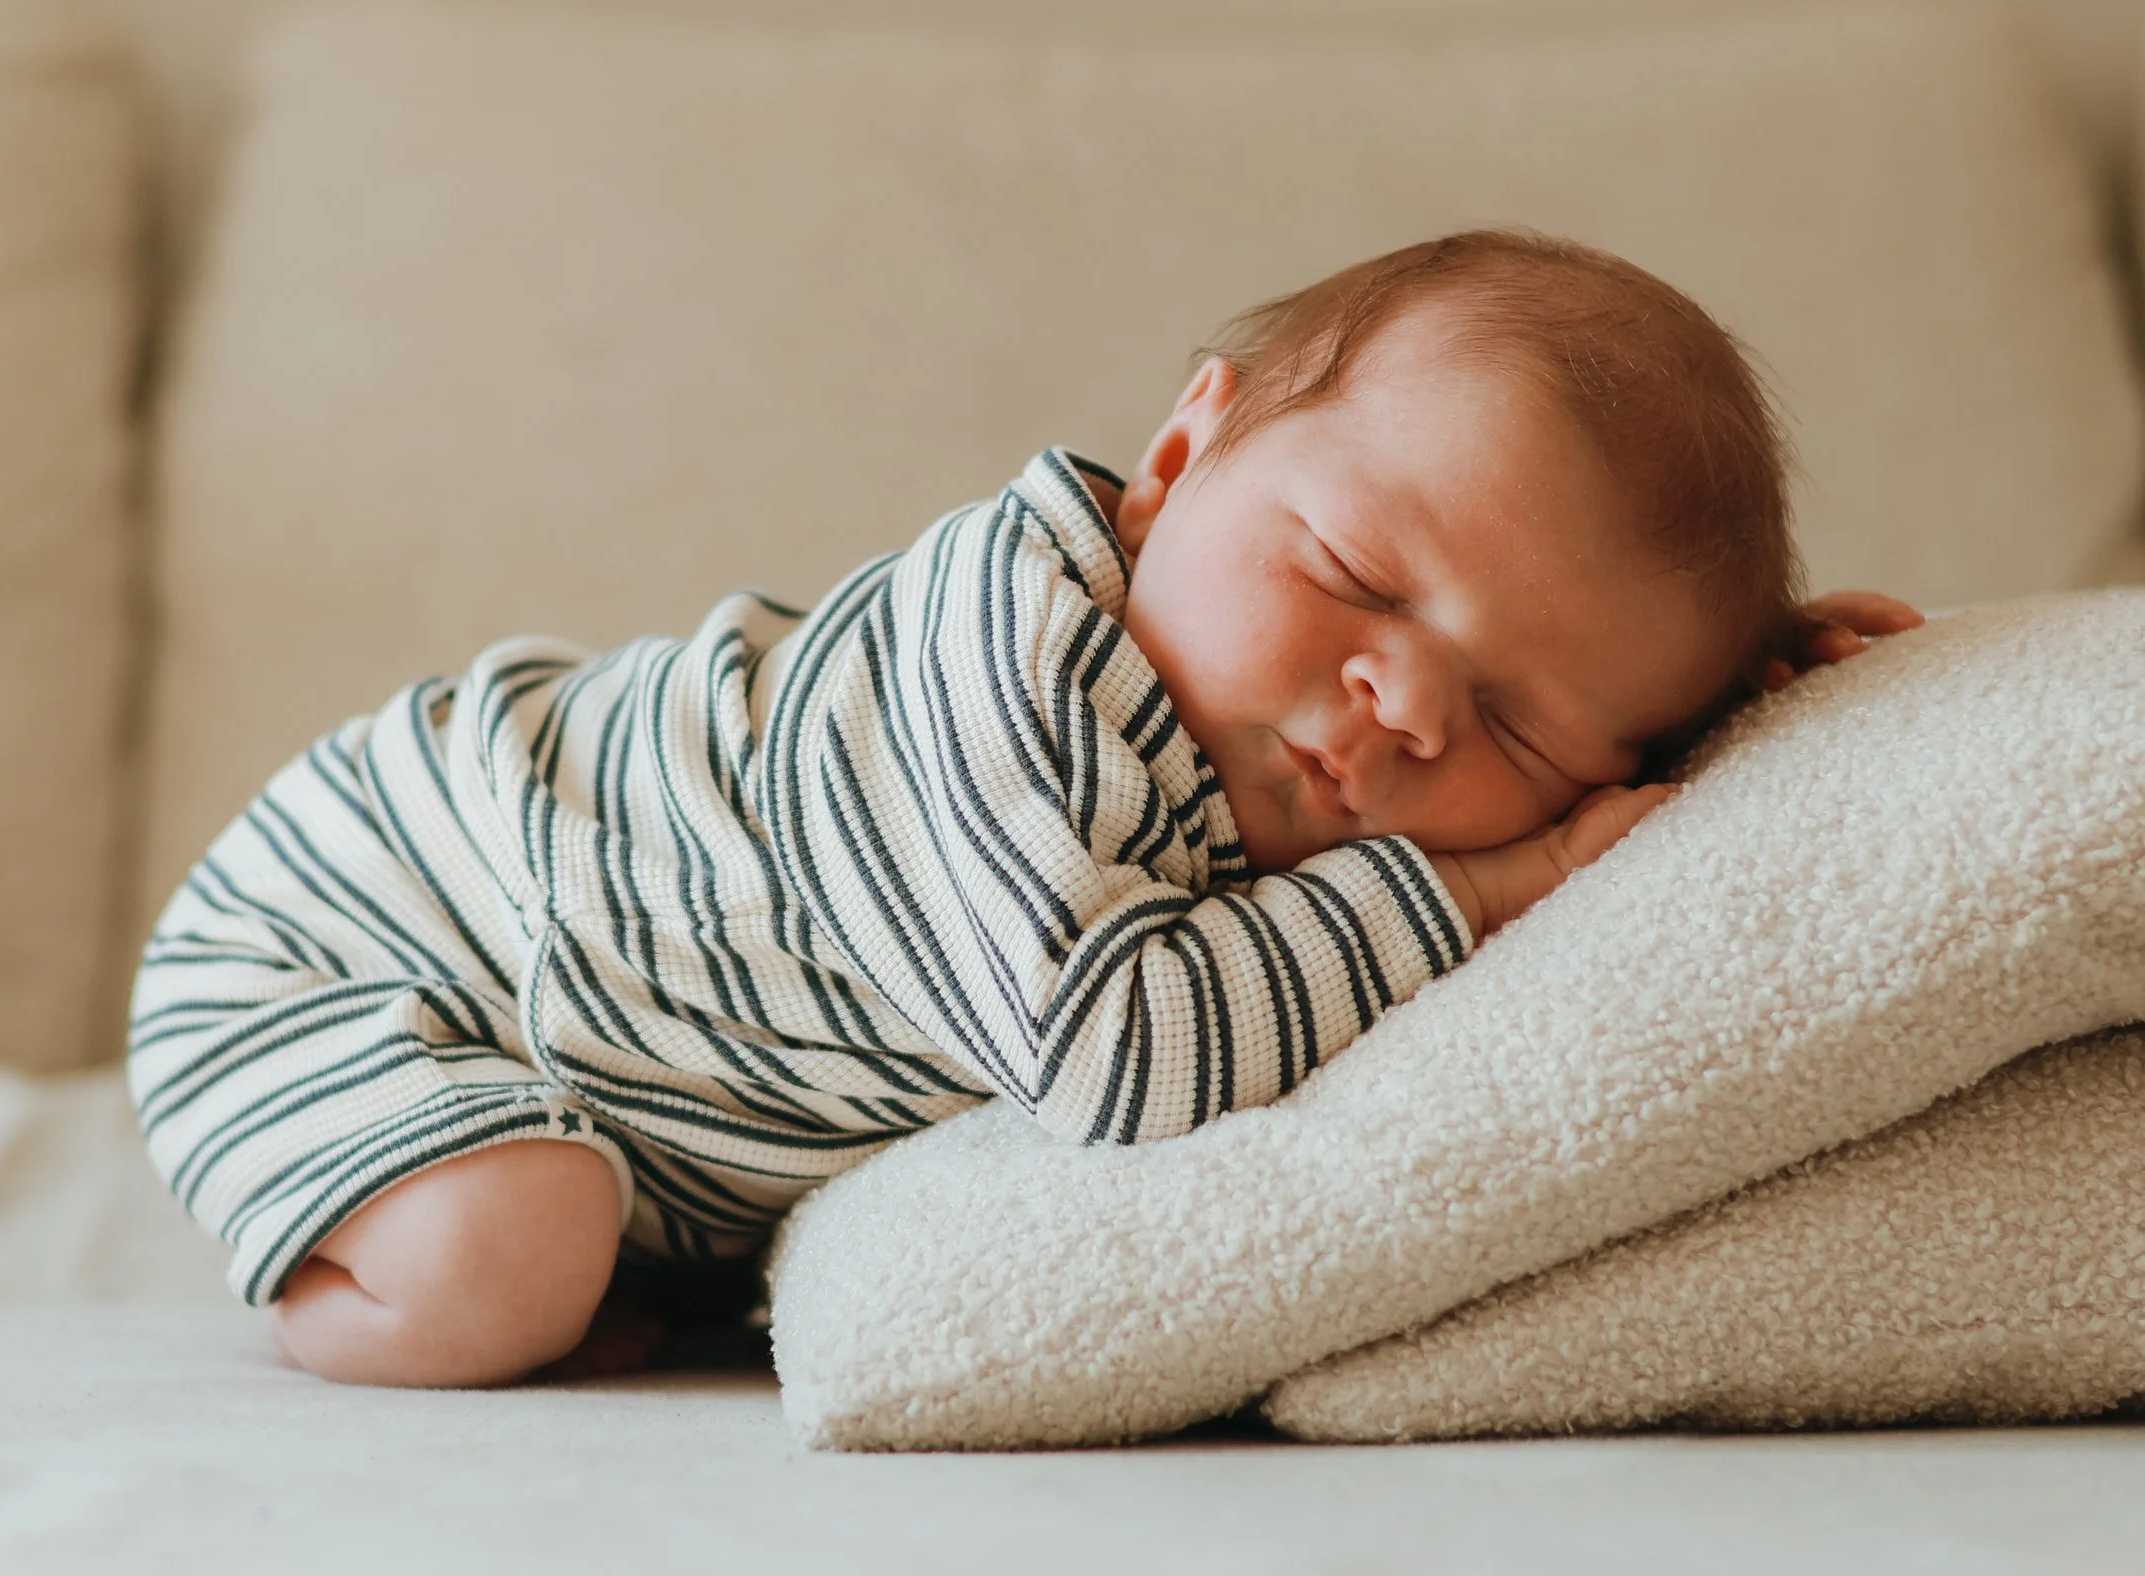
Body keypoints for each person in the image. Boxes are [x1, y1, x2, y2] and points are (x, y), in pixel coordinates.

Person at [127, 229, 1920, 1390]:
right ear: (1174, 463)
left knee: (571, 1229)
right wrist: (1492, 880)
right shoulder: (1010, 683)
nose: (1405, 704)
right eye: (1360, 573)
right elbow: (1120, 1053)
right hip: (358, 935)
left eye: (1520, 720)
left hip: (562, 1001)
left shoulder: (1249, 759)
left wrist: (1729, 697)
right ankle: (326, 1277)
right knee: (506, 1256)